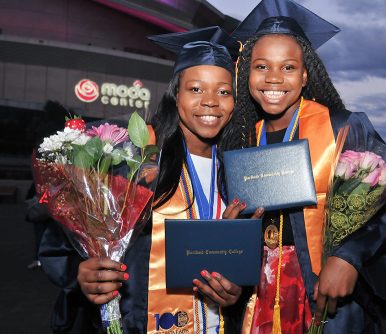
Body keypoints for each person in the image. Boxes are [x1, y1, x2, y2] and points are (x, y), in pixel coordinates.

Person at [39, 27, 263, 333]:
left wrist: (237, 292)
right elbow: (63, 238)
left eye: (224, 91)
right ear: (175, 94)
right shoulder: (135, 162)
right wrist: (80, 272)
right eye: (196, 89)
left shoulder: (241, 171)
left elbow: (248, 265)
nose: (211, 101)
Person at [220, 0, 386, 333]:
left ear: (305, 75)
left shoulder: (342, 128)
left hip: (322, 289)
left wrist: (350, 256)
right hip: (255, 294)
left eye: (288, 67)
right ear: (246, 71)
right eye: (261, 66)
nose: (274, 78)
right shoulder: (240, 136)